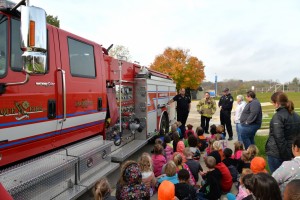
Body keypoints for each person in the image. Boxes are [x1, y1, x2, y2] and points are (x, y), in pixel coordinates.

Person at [265, 92, 300, 173]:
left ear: (277, 103)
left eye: (273, 103)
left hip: (277, 154)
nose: (273, 105)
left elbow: (279, 139)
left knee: (277, 180)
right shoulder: (296, 115)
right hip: (292, 152)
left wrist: (287, 158)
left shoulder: (278, 117)